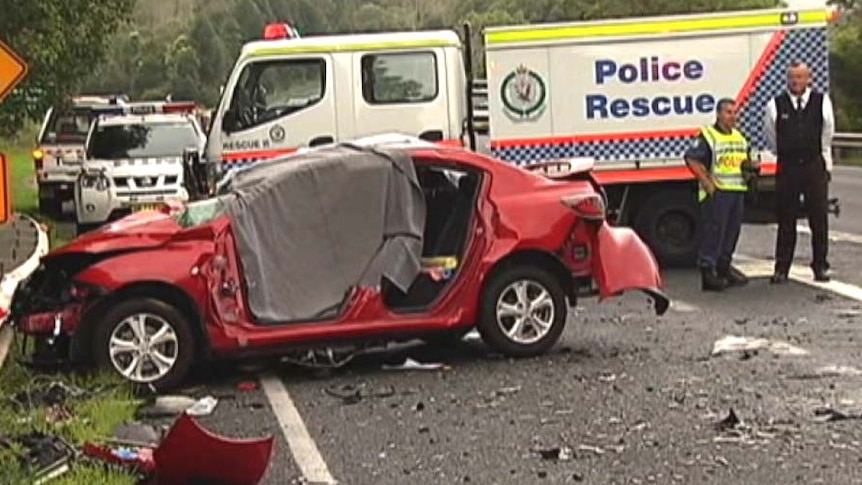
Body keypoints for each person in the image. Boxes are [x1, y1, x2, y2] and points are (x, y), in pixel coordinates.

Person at [763, 61, 835, 283]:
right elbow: (770, 136)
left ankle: (820, 266)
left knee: (818, 218)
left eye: (800, 77)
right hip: (788, 166)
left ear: (808, 79)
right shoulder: (775, 105)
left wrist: (824, 161)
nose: (796, 81)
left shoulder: (821, 102)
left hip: (814, 165)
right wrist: (785, 154)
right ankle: (782, 268)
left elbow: (827, 133)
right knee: (786, 218)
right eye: (792, 77)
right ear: (787, 79)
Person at [684, 98, 752, 292]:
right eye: (728, 112)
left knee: (731, 232)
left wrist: (751, 171)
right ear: (719, 114)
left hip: (737, 191)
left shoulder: (739, 137)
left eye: (734, 112)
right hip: (718, 193)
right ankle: (708, 272)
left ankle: (724, 267)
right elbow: (692, 159)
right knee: (714, 232)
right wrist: (707, 183)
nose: (733, 116)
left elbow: (745, 161)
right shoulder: (708, 135)